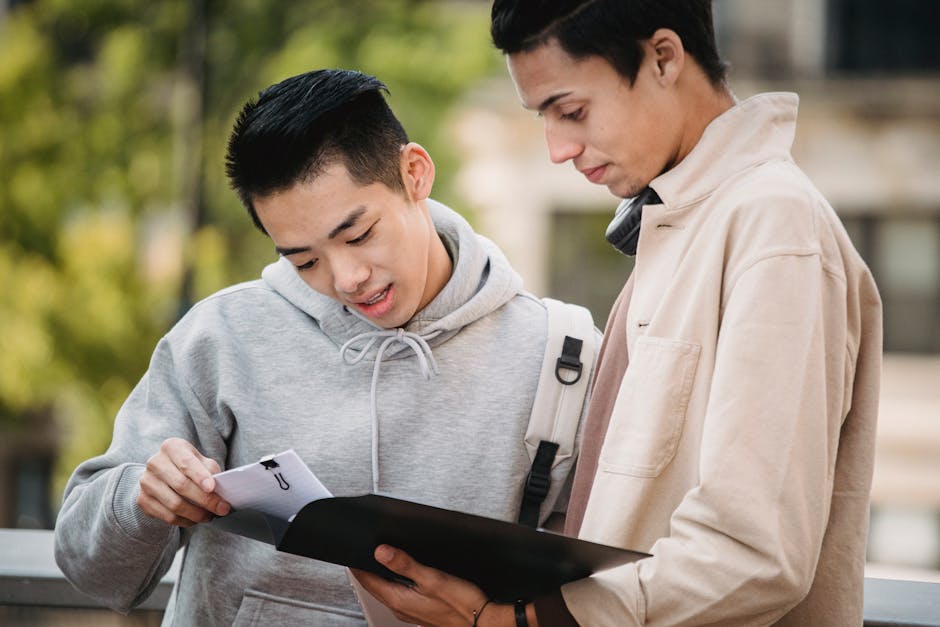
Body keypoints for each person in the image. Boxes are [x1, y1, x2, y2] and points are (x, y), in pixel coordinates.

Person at [353, 1, 883, 625]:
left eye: (572, 111)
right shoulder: (683, 215)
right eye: (543, 116)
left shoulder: (773, 226)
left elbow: (753, 552)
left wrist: (519, 622)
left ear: (663, 57)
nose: (557, 148)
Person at [53, 68, 596, 625]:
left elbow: (606, 595)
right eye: (304, 260)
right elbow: (93, 573)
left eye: (358, 235)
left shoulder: (560, 358)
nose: (346, 278)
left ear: (415, 173)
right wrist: (140, 502)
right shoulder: (221, 338)